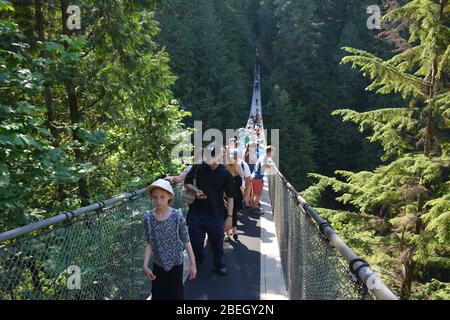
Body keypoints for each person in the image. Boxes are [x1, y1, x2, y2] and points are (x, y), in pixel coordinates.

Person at [184, 145, 236, 275]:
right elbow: (187, 182)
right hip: (197, 211)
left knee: (217, 242)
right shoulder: (198, 167)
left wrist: (229, 217)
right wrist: (196, 191)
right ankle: (199, 257)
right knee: (195, 240)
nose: (209, 161)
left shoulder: (225, 174)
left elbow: (230, 197)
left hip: (216, 214)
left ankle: (219, 264)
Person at [143, 179, 197, 300]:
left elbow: (186, 240)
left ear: (169, 196)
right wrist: (145, 265)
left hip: (176, 264)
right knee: (158, 295)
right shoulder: (148, 218)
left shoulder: (177, 216)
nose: (158, 200)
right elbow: (149, 242)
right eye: (155, 197)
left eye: (162, 197)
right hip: (158, 264)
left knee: (176, 295)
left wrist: (193, 264)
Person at [224, 149, 245, 241]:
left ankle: (235, 230)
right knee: (224, 213)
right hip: (221, 193)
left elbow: (241, 175)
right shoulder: (215, 165)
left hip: (232, 192)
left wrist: (233, 179)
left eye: (224, 152)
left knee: (233, 212)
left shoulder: (233, 163)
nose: (222, 154)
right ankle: (227, 232)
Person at [250, 146, 275, 214]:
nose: (273, 153)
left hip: (253, 176)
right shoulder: (265, 157)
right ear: (269, 152)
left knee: (254, 193)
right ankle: (254, 209)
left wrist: (269, 163)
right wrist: (270, 165)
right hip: (258, 178)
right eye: (273, 152)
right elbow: (263, 166)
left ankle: (252, 205)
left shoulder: (263, 156)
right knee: (258, 194)